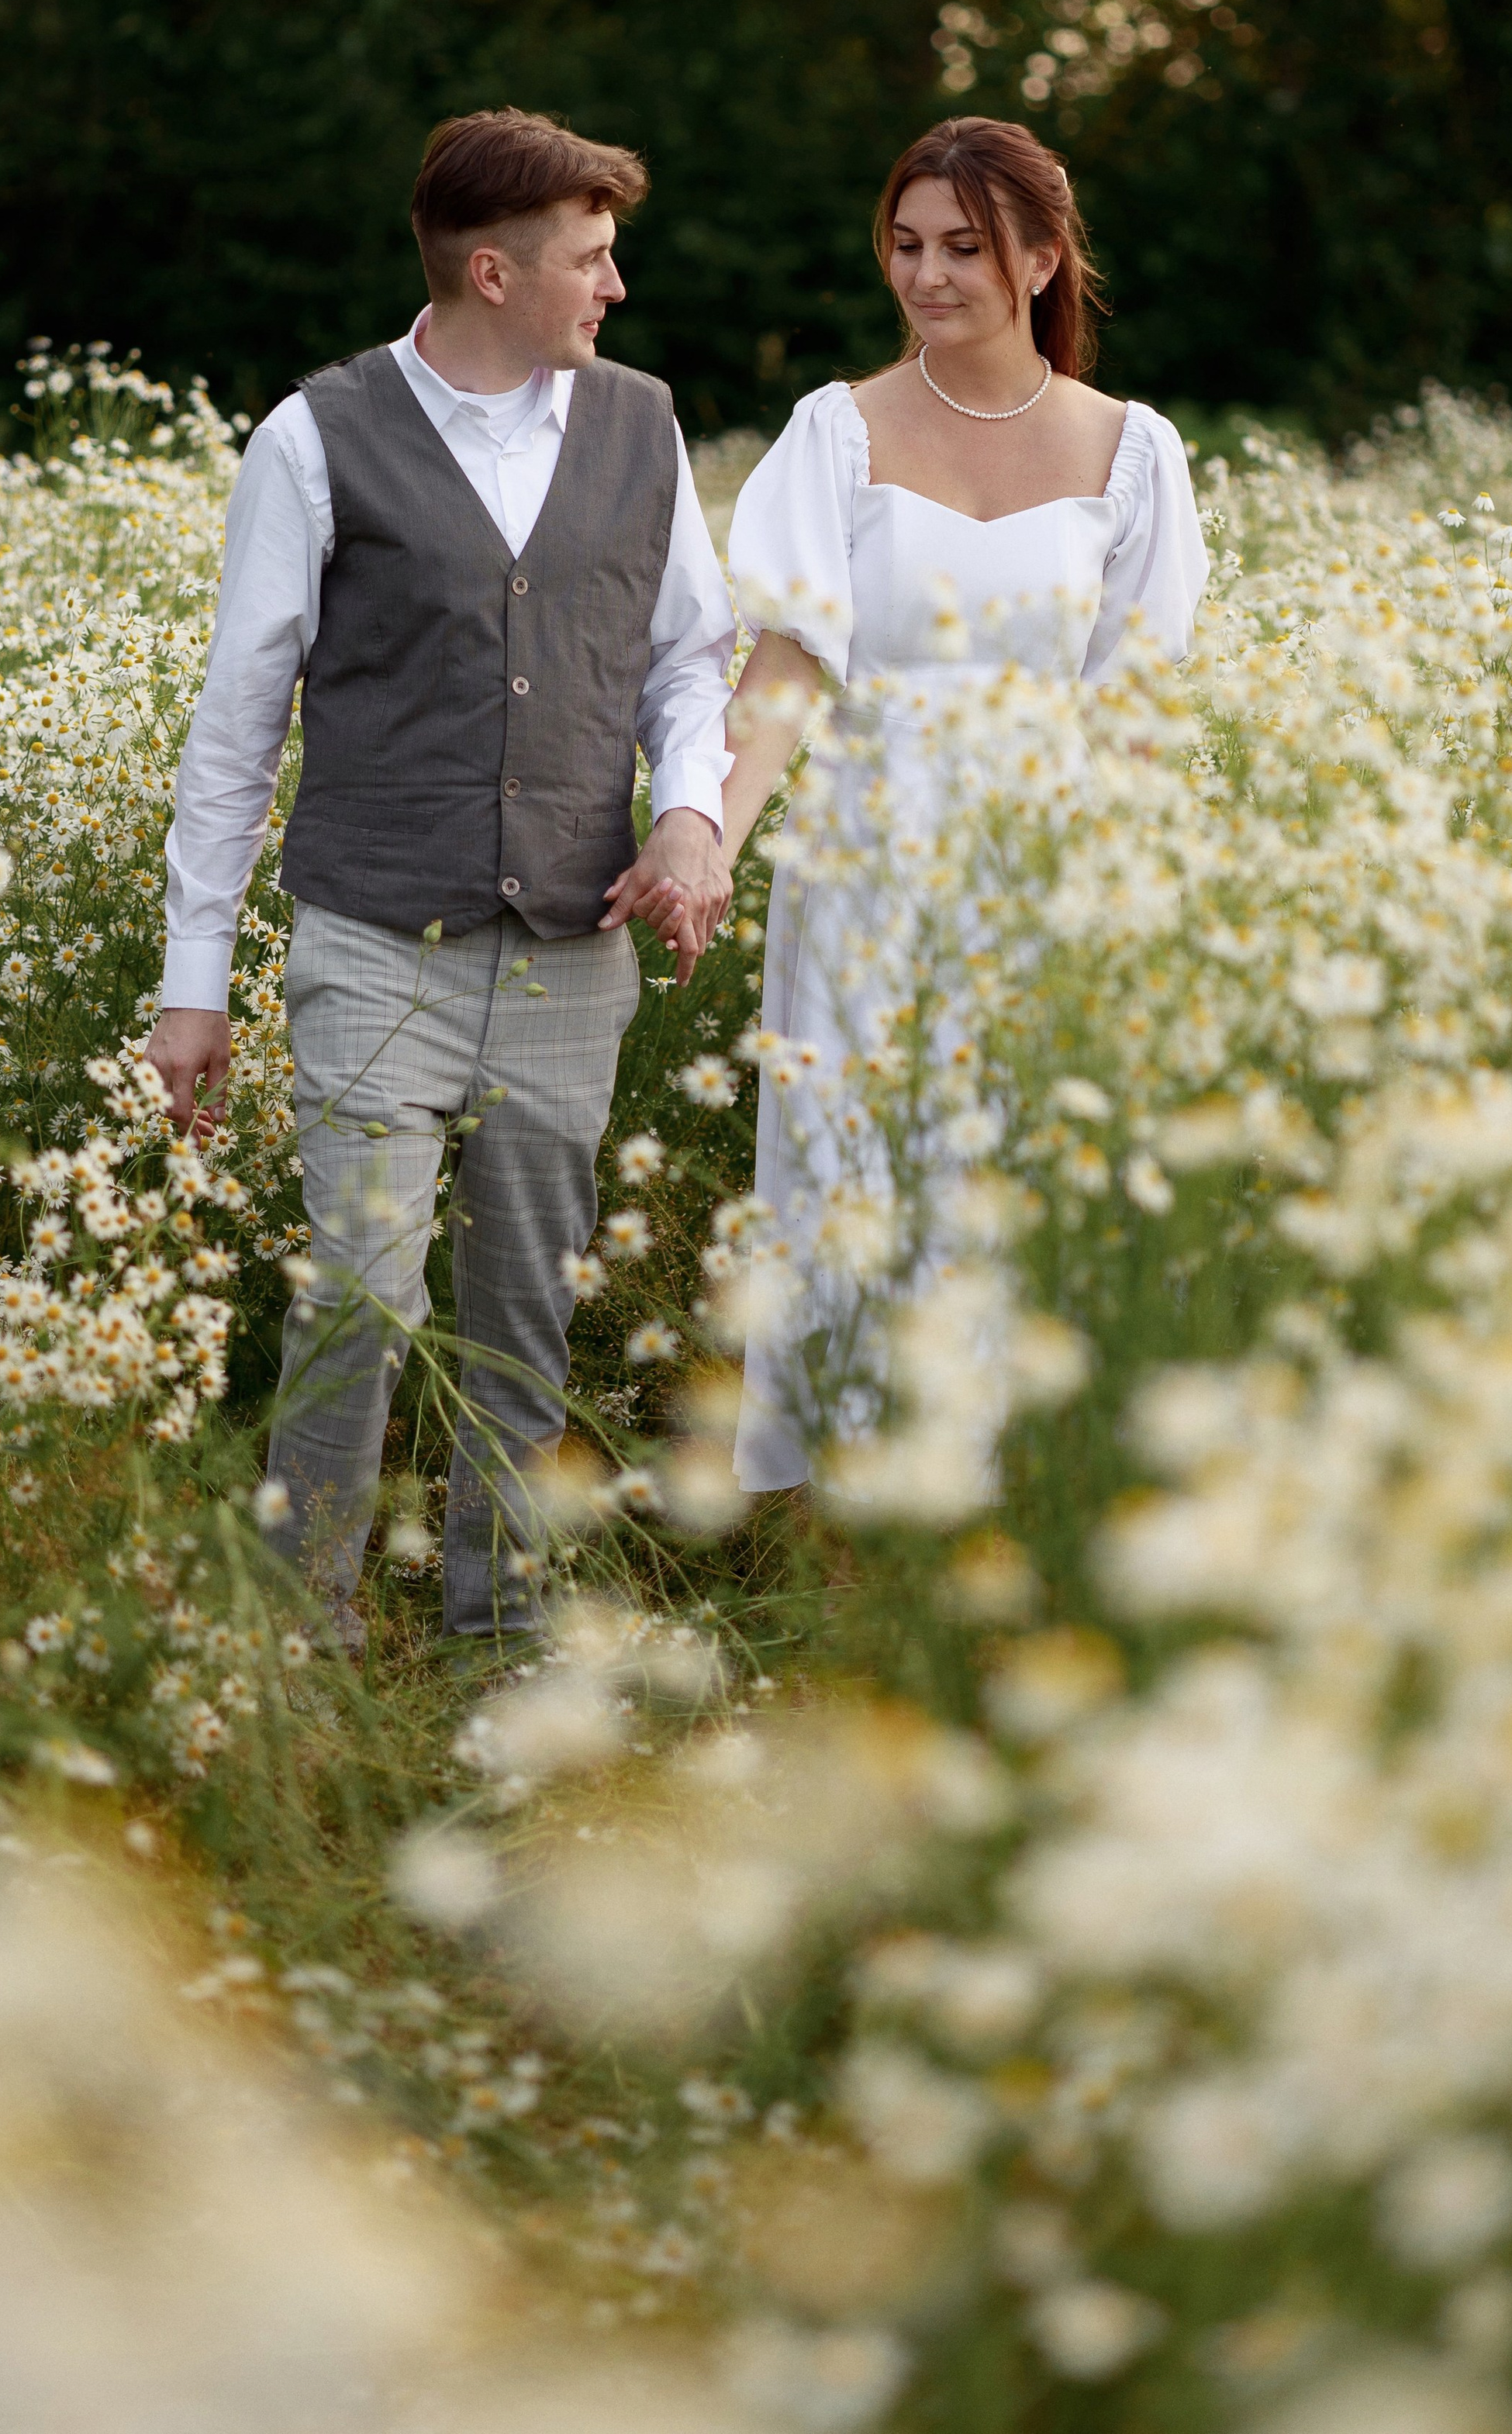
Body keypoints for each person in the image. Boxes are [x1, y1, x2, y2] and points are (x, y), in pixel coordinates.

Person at [147, 109, 736, 1651]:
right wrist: (191, 983)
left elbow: (688, 664)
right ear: (493, 270)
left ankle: (501, 1630)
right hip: (370, 943)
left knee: (527, 1314)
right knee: (359, 1295)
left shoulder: (640, 427)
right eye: (590, 261)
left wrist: (689, 818)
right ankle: (299, 1636)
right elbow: (238, 715)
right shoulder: (314, 436)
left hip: (568, 951)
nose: (613, 288)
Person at [716, 115, 1209, 1491]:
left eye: (965, 249)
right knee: (851, 1171)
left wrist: (1136, 901)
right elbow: (786, 664)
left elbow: (1138, 707)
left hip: (1043, 856)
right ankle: (854, 1516)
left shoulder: (1133, 451)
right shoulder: (836, 431)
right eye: (908, 245)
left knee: (1015, 1166)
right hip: (867, 853)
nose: (928, 276)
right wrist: (709, 835)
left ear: (1044, 259)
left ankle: (1013, 1500)